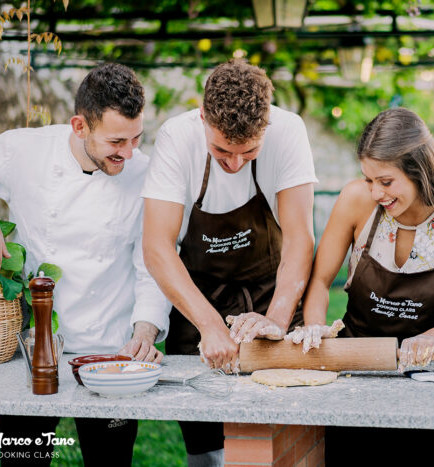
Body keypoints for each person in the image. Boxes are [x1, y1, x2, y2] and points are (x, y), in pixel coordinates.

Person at [286, 107, 434, 466]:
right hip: (351, 369)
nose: (375, 192)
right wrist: (317, 327)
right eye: (368, 179)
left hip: (423, 379)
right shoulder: (355, 200)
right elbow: (320, 281)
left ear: (419, 170)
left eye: (386, 181)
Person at [141, 59, 317, 465]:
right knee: (205, 450)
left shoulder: (289, 131)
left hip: (269, 295)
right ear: (202, 117)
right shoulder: (176, 138)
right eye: (221, 150)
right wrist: (209, 325)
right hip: (197, 299)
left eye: (248, 152)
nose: (235, 163)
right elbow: (157, 247)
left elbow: (299, 238)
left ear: (267, 126)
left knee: (275, 440)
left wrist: (275, 319)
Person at [0, 63, 170, 466]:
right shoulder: (22, 150)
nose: (128, 153)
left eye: (136, 138)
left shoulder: (145, 173)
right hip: (32, 347)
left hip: (110, 351)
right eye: (116, 141)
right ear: (79, 126)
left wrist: (145, 328)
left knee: (109, 462)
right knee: (21, 458)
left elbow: (152, 261)